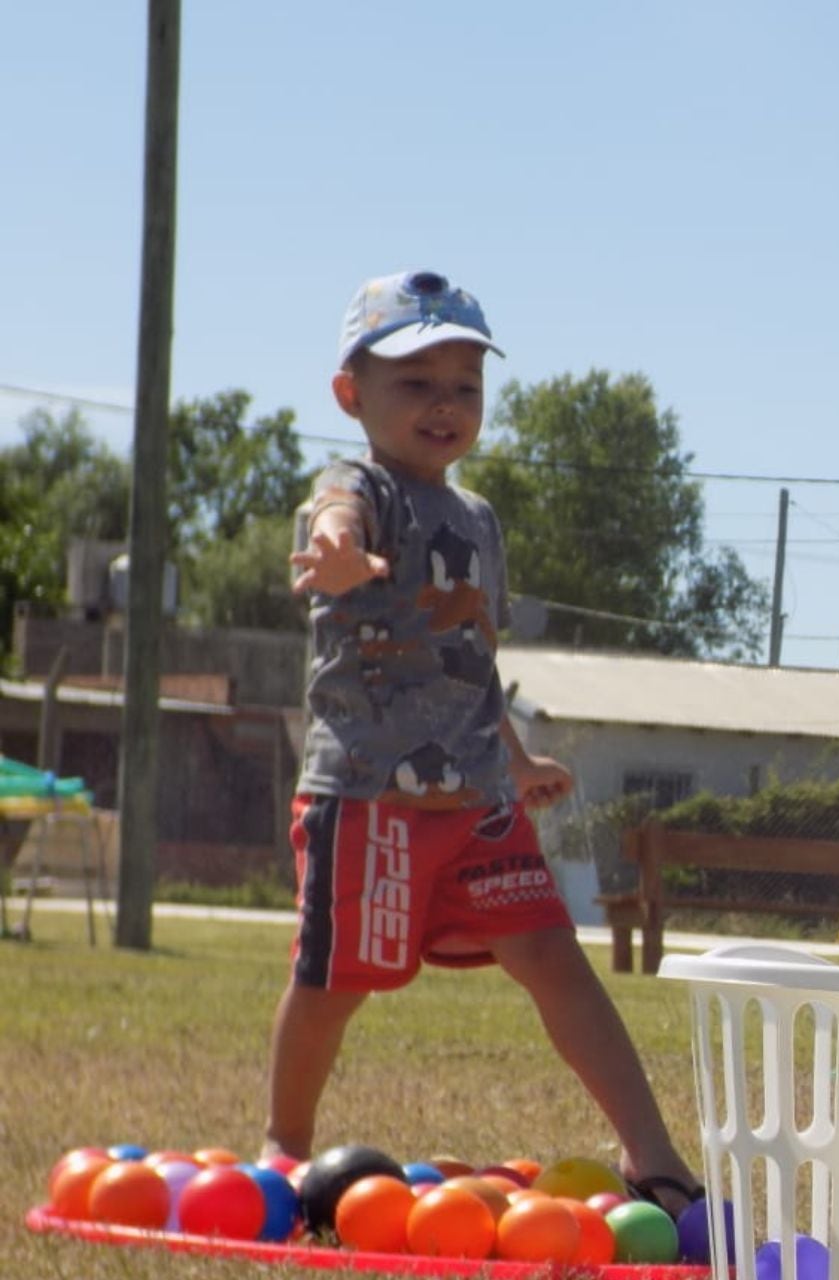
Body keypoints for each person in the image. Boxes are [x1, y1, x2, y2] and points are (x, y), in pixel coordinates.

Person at [263, 269, 701, 1214]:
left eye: (464, 386)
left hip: (479, 802)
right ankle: (283, 1145)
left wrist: (515, 753)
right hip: (371, 794)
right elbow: (334, 514)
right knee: (335, 980)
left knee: (556, 958)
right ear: (353, 393)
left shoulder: (477, 519)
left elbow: (468, 658)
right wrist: (338, 548)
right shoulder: (356, 487)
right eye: (415, 383)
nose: (444, 406)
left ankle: (652, 1154)